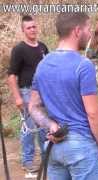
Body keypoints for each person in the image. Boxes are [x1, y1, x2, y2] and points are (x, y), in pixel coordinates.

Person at [28, 12, 98, 179]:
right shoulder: (83, 65)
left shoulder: (42, 65)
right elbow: (93, 113)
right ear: (77, 31)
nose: (90, 34)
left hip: (55, 148)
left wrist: (51, 124)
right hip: (81, 146)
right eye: (88, 29)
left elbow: (32, 106)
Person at [7, 15, 48, 173]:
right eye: (29, 27)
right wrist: (17, 97)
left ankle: (47, 159)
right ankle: (28, 161)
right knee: (29, 128)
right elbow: (11, 76)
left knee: (45, 126)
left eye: (34, 27)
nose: (32, 30)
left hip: (43, 93)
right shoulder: (19, 49)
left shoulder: (43, 47)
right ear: (23, 30)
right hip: (26, 92)